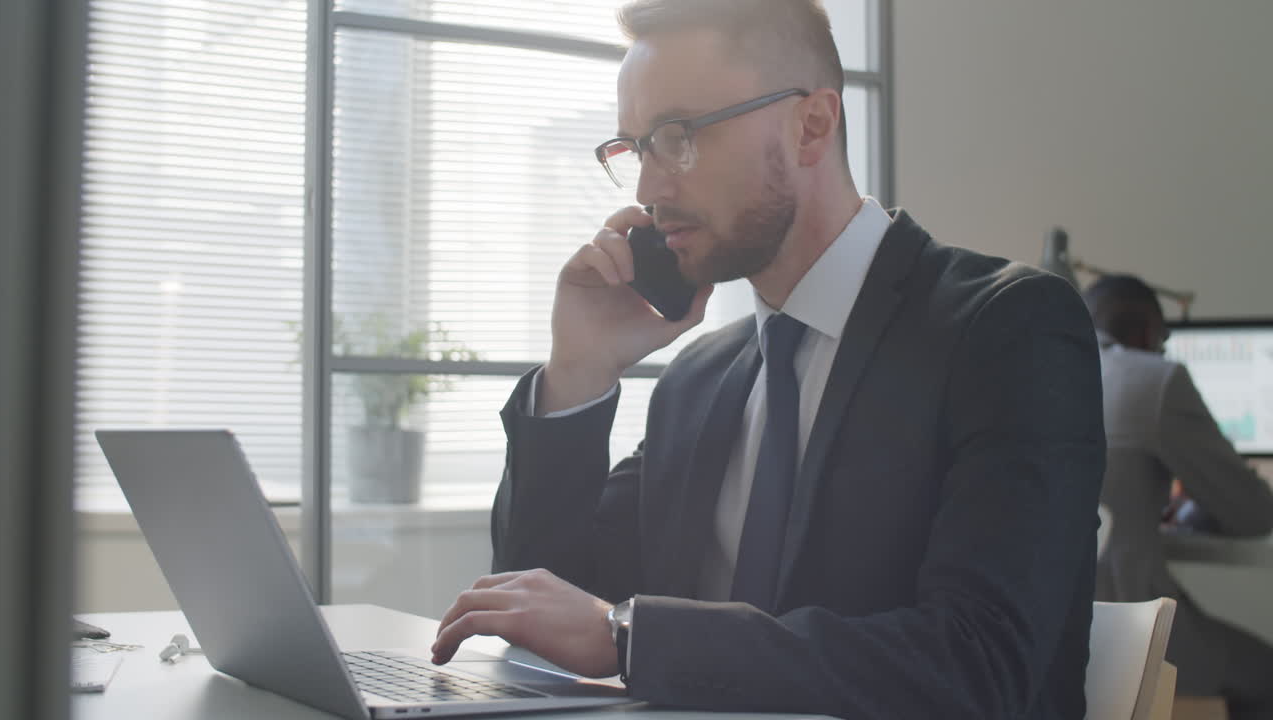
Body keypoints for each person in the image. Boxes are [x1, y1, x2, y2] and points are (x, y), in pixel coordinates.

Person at [430, 1, 1106, 716]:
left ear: (810, 125)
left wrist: (628, 637)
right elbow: (540, 609)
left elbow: (981, 665)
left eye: (679, 136)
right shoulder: (699, 380)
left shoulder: (1005, 330)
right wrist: (578, 373)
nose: (649, 190)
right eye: (636, 148)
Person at [1084, 273, 1273, 720]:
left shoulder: (1034, 371)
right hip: (1126, 630)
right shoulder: (1156, 379)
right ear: (1149, 332)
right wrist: (1195, 505)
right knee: (1265, 674)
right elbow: (1254, 514)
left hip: (1041, 633)